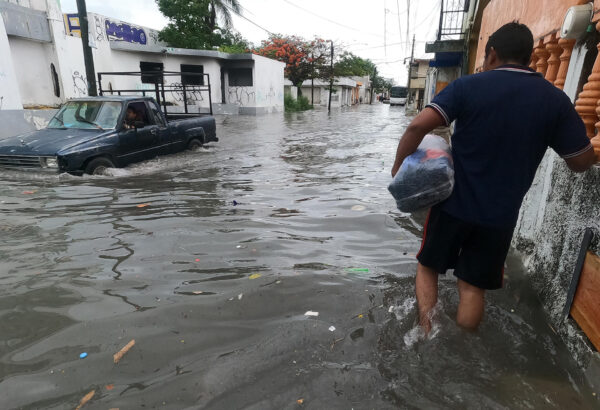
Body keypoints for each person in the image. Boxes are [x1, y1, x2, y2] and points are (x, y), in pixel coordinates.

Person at [390, 22, 597, 332]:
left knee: (428, 267)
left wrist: (399, 169)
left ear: (492, 54)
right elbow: (580, 162)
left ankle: (426, 333)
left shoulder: (468, 86)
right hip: (499, 217)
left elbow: (417, 127)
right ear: (528, 57)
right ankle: (463, 349)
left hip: (451, 205)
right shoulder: (554, 101)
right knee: (473, 287)